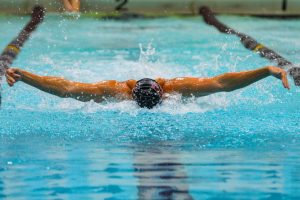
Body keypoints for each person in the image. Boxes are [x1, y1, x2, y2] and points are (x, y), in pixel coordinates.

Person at [5, 66, 289, 109]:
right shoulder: (113, 91)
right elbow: (67, 88)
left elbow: (221, 83)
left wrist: (266, 70)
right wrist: (25, 75)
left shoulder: (178, 88)